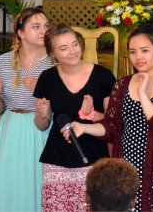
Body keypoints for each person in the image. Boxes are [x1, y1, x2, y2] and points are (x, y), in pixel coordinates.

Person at [65, 23, 153, 211]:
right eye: (133, 51)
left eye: (145, 51)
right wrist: (84, 127)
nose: (138, 57)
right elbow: (111, 128)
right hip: (124, 168)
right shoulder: (122, 84)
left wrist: (143, 94)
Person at [33, 23, 116, 211]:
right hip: (57, 159)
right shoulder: (47, 78)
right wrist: (43, 115)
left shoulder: (103, 76)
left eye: (74, 44)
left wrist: (91, 115)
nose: (72, 51)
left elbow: (112, 124)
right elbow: (41, 125)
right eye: (63, 48)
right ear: (52, 53)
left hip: (94, 158)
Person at [0, 7, 53, 211]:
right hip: (11, 128)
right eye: (36, 27)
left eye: (46, 26)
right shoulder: (4, 61)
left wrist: (41, 92)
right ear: (21, 33)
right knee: (10, 186)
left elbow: (63, 103)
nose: (44, 31)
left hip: (42, 127)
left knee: (40, 185)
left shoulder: (55, 60)